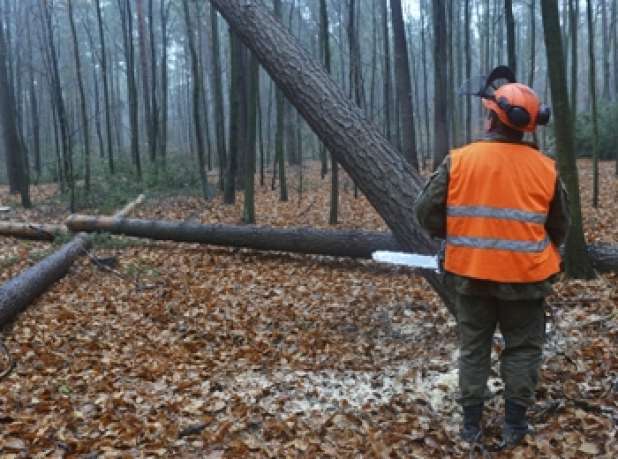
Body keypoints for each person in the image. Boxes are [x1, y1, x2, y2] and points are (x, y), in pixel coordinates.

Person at [414, 66, 570, 448]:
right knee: (523, 348)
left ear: (490, 120)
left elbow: (425, 212)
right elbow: (560, 227)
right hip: (527, 278)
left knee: (474, 347)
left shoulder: (460, 161)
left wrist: (455, 233)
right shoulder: (546, 170)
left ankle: (471, 425)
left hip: (471, 274)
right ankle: (515, 424)